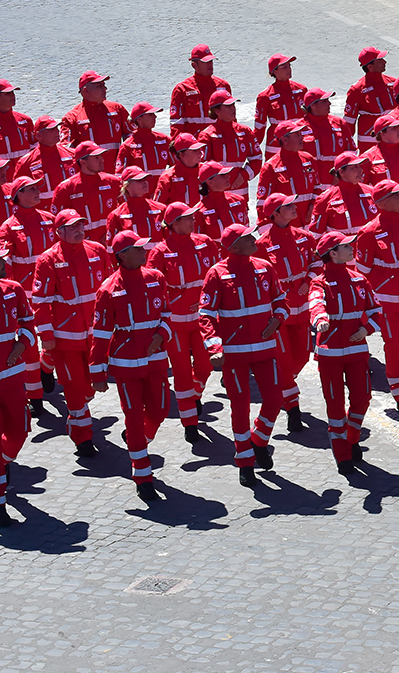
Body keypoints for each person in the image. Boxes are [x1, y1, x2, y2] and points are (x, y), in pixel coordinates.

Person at [199, 223, 288, 487]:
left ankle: (258, 439)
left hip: (264, 349)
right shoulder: (216, 273)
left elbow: (281, 301)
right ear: (234, 246)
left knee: (275, 399)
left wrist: (277, 320)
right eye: (248, 238)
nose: (254, 240)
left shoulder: (265, 267)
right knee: (239, 407)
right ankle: (245, 461)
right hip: (234, 355)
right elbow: (206, 315)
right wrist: (214, 348)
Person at [89, 230, 171, 501]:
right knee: (133, 415)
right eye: (137, 248)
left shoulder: (156, 278)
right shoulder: (108, 289)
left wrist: (161, 336)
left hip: (155, 357)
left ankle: (138, 439)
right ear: (122, 256)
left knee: (160, 410)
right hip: (126, 363)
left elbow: (166, 314)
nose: (143, 251)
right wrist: (97, 372)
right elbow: (100, 333)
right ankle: (142, 474)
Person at [32, 211, 114, 457]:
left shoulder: (97, 251)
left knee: (89, 389)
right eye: (72, 227)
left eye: (81, 225)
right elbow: (41, 301)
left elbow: (111, 286)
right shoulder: (48, 260)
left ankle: (47, 370)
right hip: (65, 340)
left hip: (94, 337)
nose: (79, 230)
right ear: (59, 232)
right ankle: (82, 437)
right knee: (75, 389)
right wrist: (46, 335)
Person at [308, 230, 382, 474]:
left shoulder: (359, 279)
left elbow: (376, 310)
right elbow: (315, 303)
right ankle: (342, 454)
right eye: (346, 246)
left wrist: (366, 329)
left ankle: (351, 437)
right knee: (335, 404)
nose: (352, 248)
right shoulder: (320, 282)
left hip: (356, 350)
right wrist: (320, 320)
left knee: (362, 398)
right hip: (330, 353)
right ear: (333, 253)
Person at [355, 179, 399, 414]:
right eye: (397, 194)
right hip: (387, 301)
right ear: (382, 203)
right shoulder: (368, 232)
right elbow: (362, 272)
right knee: (394, 345)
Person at [146, 202, 217, 443]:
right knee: (182, 373)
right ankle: (190, 423)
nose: (194, 220)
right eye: (188, 217)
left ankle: (195, 395)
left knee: (206, 365)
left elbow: (217, 273)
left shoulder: (205, 242)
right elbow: (153, 287)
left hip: (202, 320)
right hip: (175, 324)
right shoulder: (160, 251)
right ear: (175, 223)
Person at [256, 193, 318, 431]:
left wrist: (308, 281)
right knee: (283, 361)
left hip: (302, 308)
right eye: (288, 206)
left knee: (302, 357)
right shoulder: (262, 245)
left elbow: (317, 263)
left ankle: (282, 385)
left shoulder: (305, 237)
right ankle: (293, 409)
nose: (294, 208)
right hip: (279, 313)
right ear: (275, 214)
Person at [0, 176, 56, 413]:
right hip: (26, 295)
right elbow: (5, 265)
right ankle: (35, 397)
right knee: (30, 343)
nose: (37, 191)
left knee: (56, 339)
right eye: (31, 189)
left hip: (54, 292)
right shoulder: (7, 227)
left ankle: (46, 367)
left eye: (37, 188)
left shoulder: (50, 219)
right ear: (18, 196)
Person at [0, 242, 34, 527]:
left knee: (20, 430)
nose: (3, 263)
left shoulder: (14, 289)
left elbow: (28, 324)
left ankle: (3, 461)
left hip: (12, 376)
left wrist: (21, 345)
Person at [60, 71, 131, 174]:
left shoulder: (117, 109)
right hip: (89, 177)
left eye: (104, 85)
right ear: (86, 91)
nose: (105, 89)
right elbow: (65, 151)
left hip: (116, 175)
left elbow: (133, 139)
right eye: (99, 86)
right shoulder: (71, 118)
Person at [54, 142, 121, 244]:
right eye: (96, 157)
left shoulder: (114, 182)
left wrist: (112, 234)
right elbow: (58, 224)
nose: (102, 160)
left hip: (111, 243)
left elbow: (124, 212)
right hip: (81, 246)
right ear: (83, 162)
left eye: (101, 156)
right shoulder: (66, 188)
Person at [257, 120, 320, 224]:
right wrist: (268, 229)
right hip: (287, 227)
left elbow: (317, 188)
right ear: (285, 140)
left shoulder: (309, 160)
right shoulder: (270, 167)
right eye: (297, 134)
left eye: (301, 133)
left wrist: (312, 206)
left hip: (309, 223)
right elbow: (262, 203)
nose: (301, 137)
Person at [197, 90, 262, 182]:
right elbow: (201, 165)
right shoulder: (207, 135)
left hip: (241, 187)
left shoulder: (245, 131)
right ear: (217, 111)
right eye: (228, 106)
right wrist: (218, 182)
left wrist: (244, 175)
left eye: (233, 105)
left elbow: (257, 159)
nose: (233, 108)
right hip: (218, 187)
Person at [170, 45, 233, 140]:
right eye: (205, 62)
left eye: (211, 61)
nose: (210, 64)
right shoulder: (181, 89)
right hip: (193, 144)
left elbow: (232, 119)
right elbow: (176, 123)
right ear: (194, 65)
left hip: (219, 142)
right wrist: (178, 146)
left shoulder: (223, 86)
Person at [12, 116, 74, 208]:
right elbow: (18, 193)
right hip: (44, 212)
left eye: (56, 128)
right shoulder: (26, 162)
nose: (57, 131)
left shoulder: (72, 155)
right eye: (51, 129)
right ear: (39, 136)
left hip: (70, 209)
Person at [253, 54, 307, 157]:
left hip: (300, 142)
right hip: (276, 145)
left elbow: (310, 119)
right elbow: (259, 128)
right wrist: (251, 151)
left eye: (289, 66)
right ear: (275, 71)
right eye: (284, 67)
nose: (289, 69)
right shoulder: (265, 96)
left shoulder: (301, 90)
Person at [343, 47, 396, 152]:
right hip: (369, 141)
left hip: (393, 135)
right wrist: (347, 149)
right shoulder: (357, 90)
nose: (385, 62)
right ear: (370, 66)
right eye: (380, 60)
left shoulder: (393, 82)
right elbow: (349, 123)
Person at [312, 151, 376, 237]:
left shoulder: (372, 192)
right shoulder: (325, 199)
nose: (361, 170)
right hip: (342, 245)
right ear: (341, 172)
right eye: (354, 167)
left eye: (360, 166)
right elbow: (316, 235)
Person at [299, 87, 354, 181]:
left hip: (336, 181)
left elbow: (351, 152)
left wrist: (343, 175)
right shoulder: (298, 128)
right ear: (313, 105)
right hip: (310, 182)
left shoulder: (340, 123)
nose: (329, 103)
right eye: (324, 101)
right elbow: (295, 159)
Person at [105, 167, 165, 248]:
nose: (145, 182)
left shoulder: (161, 209)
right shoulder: (116, 215)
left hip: (157, 256)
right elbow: (111, 249)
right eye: (139, 180)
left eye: (145, 179)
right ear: (126, 186)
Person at [194, 162, 249, 246]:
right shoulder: (199, 212)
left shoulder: (239, 200)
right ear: (209, 182)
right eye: (222, 175)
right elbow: (198, 242)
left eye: (227, 174)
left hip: (240, 251)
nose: (228, 176)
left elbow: (246, 232)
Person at [118, 102, 172, 187]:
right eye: (150, 114)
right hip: (140, 192)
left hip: (162, 189)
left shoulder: (164, 139)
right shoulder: (127, 146)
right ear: (139, 119)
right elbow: (120, 176)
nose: (155, 116)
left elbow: (177, 166)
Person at [0, 79, 34, 163]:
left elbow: (35, 150)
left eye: (13, 92)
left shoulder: (25, 121)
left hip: (23, 171)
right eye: (8, 93)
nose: (13, 96)